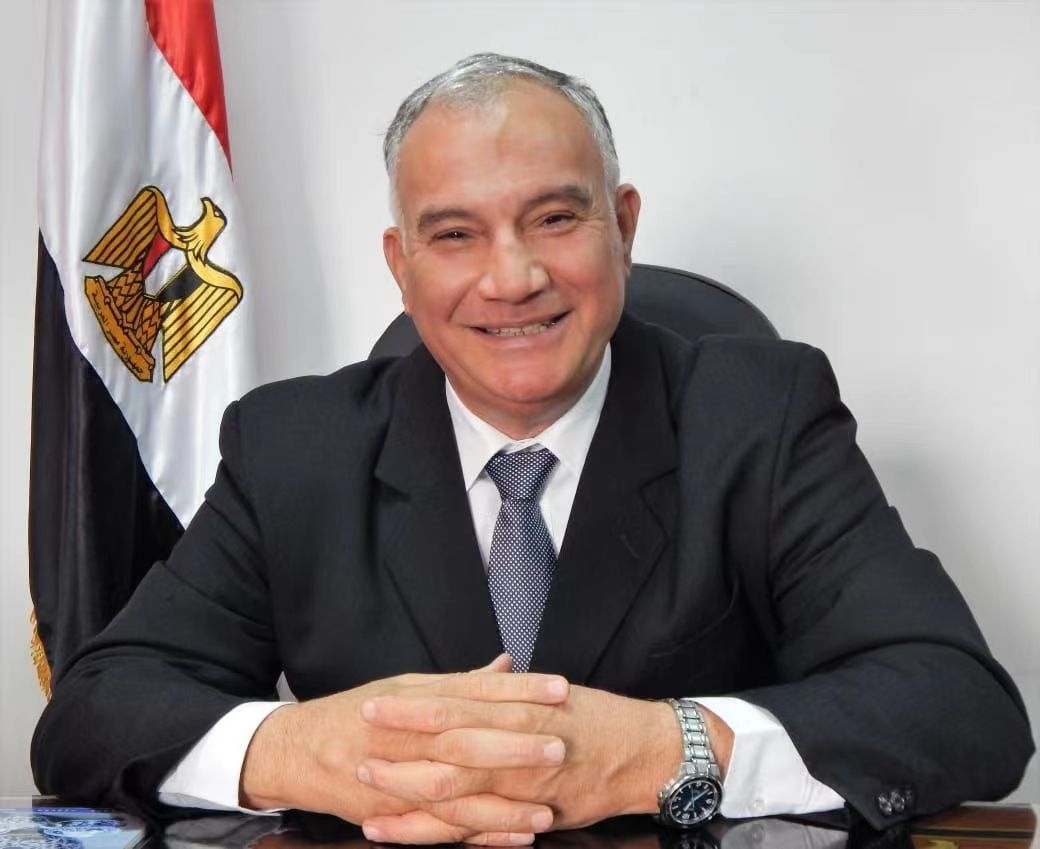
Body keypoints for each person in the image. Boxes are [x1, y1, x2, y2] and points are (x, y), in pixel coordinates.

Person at [32, 53, 1032, 846]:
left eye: (554, 218)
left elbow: (958, 707)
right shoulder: (294, 446)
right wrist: (304, 750)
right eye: (454, 235)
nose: (510, 278)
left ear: (622, 228)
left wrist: (660, 749)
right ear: (401, 266)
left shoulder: (759, 417)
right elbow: (92, 713)